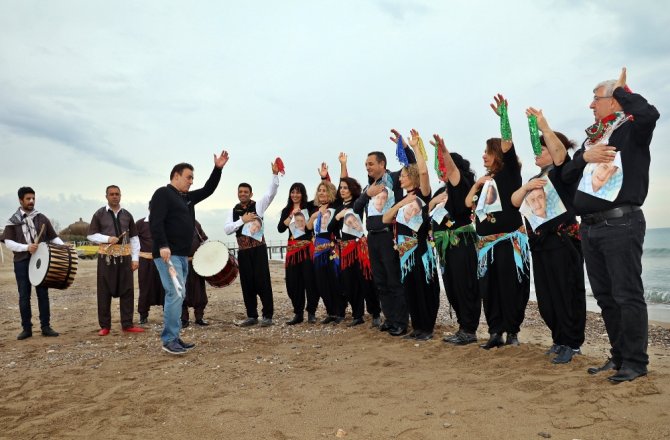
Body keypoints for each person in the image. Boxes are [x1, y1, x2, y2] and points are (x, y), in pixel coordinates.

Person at [561, 68, 659, 382]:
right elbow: (566, 175)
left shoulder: (631, 131)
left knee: (626, 294)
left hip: (621, 223)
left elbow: (648, 114)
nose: (591, 105)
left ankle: (635, 362)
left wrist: (622, 91)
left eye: (597, 98)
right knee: (604, 297)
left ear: (615, 101)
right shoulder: (595, 138)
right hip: (589, 227)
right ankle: (618, 357)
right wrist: (584, 157)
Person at [512, 109, 586, 364]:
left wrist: (544, 127)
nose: (537, 151)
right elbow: (514, 201)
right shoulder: (535, 178)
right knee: (547, 296)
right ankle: (558, 339)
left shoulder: (562, 172)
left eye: (542, 149)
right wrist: (526, 187)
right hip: (540, 243)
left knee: (567, 292)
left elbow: (560, 154)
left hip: (563, 240)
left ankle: (572, 343)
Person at [466, 94, 530, 350]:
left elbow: (508, 144)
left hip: (508, 240)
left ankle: (512, 330)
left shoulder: (510, 172)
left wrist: (504, 118)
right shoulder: (485, 180)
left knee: (510, 286)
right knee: (488, 288)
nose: (483, 156)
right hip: (485, 244)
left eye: (487, 152)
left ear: (497, 154)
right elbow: (468, 204)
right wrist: (477, 184)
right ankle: (495, 332)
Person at [150, 150, 229, 355]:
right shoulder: (163, 194)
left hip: (182, 256)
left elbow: (208, 189)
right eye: (188, 177)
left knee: (180, 294)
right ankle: (168, 339)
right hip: (168, 255)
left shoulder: (186, 198)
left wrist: (217, 169)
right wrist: (163, 245)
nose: (191, 181)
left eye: (193, 177)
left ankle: (174, 336)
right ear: (176, 176)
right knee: (175, 293)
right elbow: (156, 222)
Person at [353, 130, 416, 336]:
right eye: (366, 165)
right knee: (380, 280)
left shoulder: (395, 179)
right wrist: (366, 193)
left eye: (371, 163)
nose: (368, 167)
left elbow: (412, 167)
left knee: (393, 278)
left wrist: (405, 146)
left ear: (382, 164)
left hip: (389, 233)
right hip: (373, 236)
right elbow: (355, 208)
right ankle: (389, 318)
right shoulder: (368, 186)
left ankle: (400, 321)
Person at [382, 129, 438, 341]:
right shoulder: (405, 199)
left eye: (404, 175)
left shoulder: (423, 194)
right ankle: (417, 328)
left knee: (423, 288)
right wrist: (400, 203)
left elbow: (423, 172)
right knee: (410, 290)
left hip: (420, 248)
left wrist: (415, 147)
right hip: (404, 252)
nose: (401, 178)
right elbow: (386, 218)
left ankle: (427, 328)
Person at [428, 135, 480, 346]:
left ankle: (469, 329)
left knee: (464, 284)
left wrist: (444, 152)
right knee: (451, 286)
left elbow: (453, 172)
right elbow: (429, 212)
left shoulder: (464, 184)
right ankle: (462, 327)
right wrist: (433, 201)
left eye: (445, 165)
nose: (442, 170)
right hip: (444, 246)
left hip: (461, 242)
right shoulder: (443, 190)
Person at [2, 187, 63, 340]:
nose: (31, 201)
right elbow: (8, 242)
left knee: (43, 294)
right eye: (28, 199)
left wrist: (64, 247)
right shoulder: (12, 220)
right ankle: (26, 329)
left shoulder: (41, 218)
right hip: (21, 261)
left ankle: (45, 326)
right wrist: (26, 247)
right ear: (20, 200)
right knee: (24, 295)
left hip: (41, 260)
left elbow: (53, 237)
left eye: (33, 198)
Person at [224, 161, 279, 327]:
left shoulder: (258, 206)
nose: (243, 194)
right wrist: (242, 220)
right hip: (243, 251)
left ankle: (267, 315)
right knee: (247, 283)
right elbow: (227, 229)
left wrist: (274, 175)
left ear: (250, 193)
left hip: (258, 249)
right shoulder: (233, 211)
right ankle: (252, 315)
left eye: (246, 192)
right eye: (240, 192)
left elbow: (271, 193)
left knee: (263, 281)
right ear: (237, 193)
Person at [329, 152, 381, 327]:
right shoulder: (337, 207)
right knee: (350, 283)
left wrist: (344, 165)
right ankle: (358, 315)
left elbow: (350, 182)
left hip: (360, 247)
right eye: (341, 188)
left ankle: (375, 313)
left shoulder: (359, 202)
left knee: (366, 280)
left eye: (345, 187)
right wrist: (337, 218)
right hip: (345, 249)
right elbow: (330, 229)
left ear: (351, 189)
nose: (342, 190)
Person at [87, 185, 143, 336]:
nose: (114, 196)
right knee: (104, 291)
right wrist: (107, 238)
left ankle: (127, 324)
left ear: (120, 196)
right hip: (106, 258)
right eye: (111, 194)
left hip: (125, 258)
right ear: (106, 196)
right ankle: (105, 326)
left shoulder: (127, 215)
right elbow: (91, 235)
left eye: (117, 194)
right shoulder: (99, 214)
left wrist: (135, 258)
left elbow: (134, 239)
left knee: (128, 290)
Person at [307, 178, 343, 324]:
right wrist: (315, 215)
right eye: (320, 190)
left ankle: (340, 311)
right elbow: (308, 227)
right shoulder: (315, 209)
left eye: (324, 190)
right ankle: (331, 312)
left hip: (331, 247)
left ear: (330, 193)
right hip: (318, 250)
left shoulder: (335, 207)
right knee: (322, 282)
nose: (321, 193)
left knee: (334, 279)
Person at [136, 206, 165, 325]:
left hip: (163, 261)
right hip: (145, 262)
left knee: (165, 287)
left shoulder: (166, 223)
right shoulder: (140, 224)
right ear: (150, 208)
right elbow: (133, 241)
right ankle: (143, 315)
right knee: (145, 288)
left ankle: (167, 314)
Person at [181, 220, 209, 327]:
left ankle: (199, 317)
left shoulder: (195, 224)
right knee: (181, 291)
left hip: (196, 263)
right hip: (180, 262)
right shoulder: (172, 222)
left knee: (199, 291)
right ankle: (183, 319)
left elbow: (203, 241)